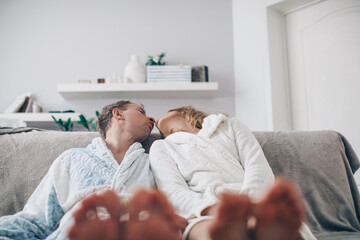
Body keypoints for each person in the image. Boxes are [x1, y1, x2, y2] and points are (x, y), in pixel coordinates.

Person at [0, 100, 161, 239]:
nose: (152, 119)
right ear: (118, 114)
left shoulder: (151, 162)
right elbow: (38, 218)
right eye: (141, 112)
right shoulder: (73, 159)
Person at [149, 106, 314, 240]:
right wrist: (214, 208)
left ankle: (257, 227)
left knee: (268, 220)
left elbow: (257, 165)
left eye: (164, 113)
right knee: (206, 230)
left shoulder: (228, 125)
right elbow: (173, 192)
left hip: (250, 199)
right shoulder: (161, 147)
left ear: (183, 111)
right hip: (205, 208)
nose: (155, 121)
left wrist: (249, 203)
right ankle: (243, 230)